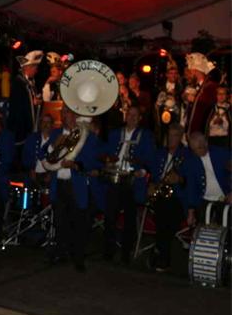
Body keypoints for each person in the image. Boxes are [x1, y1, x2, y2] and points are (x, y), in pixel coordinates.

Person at [45, 107, 100, 272]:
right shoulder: (56, 133)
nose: (64, 116)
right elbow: (43, 154)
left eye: (67, 112)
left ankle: (78, 258)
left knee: (79, 222)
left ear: (75, 115)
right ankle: (60, 253)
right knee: (60, 221)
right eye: (62, 113)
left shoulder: (85, 135)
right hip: (59, 183)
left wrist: (75, 165)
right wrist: (54, 145)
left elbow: (92, 160)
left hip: (76, 184)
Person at [103, 106, 155, 264]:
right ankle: (109, 249)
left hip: (133, 181)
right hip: (115, 178)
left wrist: (142, 170)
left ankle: (126, 251)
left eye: (135, 115)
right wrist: (107, 162)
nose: (131, 117)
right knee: (110, 215)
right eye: (129, 114)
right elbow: (106, 154)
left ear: (140, 118)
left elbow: (151, 159)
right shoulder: (114, 134)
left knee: (130, 217)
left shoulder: (146, 136)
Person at [149, 124, 193, 272]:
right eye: (169, 135)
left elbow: (191, 180)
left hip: (178, 198)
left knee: (166, 214)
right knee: (164, 212)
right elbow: (153, 174)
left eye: (174, 136)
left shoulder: (187, 155)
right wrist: (151, 184)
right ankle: (162, 254)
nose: (171, 139)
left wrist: (179, 179)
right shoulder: (159, 153)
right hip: (160, 197)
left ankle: (160, 251)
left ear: (180, 138)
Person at [185, 132, 231, 226]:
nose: (196, 152)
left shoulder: (222, 153)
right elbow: (191, 187)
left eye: (199, 148)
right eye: (193, 150)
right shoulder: (191, 161)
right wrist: (191, 212)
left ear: (206, 143)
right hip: (204, 201)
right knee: (203, 230)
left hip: (226, 199)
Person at [7, 50, 43, 148]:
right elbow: (18, 109)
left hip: (28, 131)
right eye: (35, 68)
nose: (36, 71)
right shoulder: (18, 83)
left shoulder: (30, 83)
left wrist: (36, 102)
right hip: (20, 132)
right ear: (27, 67)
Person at [185, 52, 218, 135]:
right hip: (191, 131)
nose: (188, 75)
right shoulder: (193, 86)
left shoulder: (210, 86)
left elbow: (210, 105)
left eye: (190, 72)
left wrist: (195, 99)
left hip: (202, 132)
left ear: (195, 71)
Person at [22, 113, 55, 189]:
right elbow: (25, 156)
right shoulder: (32, 138)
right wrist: (31, 169)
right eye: (43, 122)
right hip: (33, 175)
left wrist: (51, 173)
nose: (46, 124)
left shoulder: (55, 139)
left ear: (52, 125)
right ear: (40, 124)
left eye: (48, 122)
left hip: (49, 177)